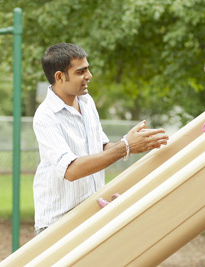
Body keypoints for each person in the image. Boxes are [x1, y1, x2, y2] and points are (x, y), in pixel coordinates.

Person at [33, 43, 169, 235]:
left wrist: (134, 143)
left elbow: (102, 148)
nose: (89, 76)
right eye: (81, 71)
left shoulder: (86, 102)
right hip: (58, 224)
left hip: (91, 216)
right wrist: (125, 146)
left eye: (87, 69)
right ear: (59, 76)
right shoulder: (46, 116)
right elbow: (71, 170)